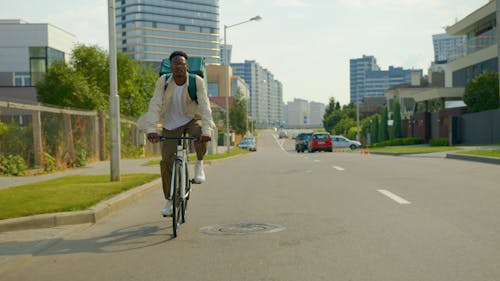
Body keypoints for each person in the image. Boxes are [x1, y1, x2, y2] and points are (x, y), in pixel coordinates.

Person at [144, 50, 215, 217]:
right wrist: (152, 129)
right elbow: (154, 104)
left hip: (191, 118)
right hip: (170, 123)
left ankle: (199, 164)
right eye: (175, 64)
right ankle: (169, 200)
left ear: (187, 66)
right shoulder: (164, 81)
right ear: (171, 67)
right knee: (167, 160)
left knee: (199, 134)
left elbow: (205, 106)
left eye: (182, 63)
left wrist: (206, 131)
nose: (178, 67)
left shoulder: (196, 81)